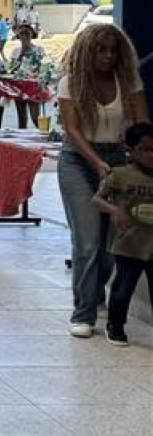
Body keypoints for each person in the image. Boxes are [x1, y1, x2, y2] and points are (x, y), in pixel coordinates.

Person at [56, 23, 149, 338]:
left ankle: (95, 293)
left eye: (113, 50)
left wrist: (140, 154)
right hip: (79, 160)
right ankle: (83, 311)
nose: (108, 56)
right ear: (86, 51)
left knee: (112, 242)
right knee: (88, 239)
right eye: (101, 49)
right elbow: (72, 130)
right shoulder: (71, 83)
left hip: (121, 158)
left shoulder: (129, 80)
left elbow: (142, 121)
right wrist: (96, 162)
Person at [90, 122, 153, 346]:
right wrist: (114, 210)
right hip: (128, 245)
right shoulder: (119, 175)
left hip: (151, 245)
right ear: (131, 151)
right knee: (123, 288)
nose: (150, 155)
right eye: (145, 150)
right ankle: (115, 326)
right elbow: (96, 199)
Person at [9, 24, 50, 129]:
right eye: (22, 34)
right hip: (19, 85)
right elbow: (12, 69)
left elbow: (44, 67)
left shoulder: (39, 49)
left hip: (33, 84)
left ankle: (43, 135)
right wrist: (21, 54)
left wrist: (43, 80)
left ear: (32, 34)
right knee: (22, 118)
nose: (25, 36)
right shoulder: (15, 51)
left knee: (35, 117)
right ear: (19, 36)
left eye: (27, 33)